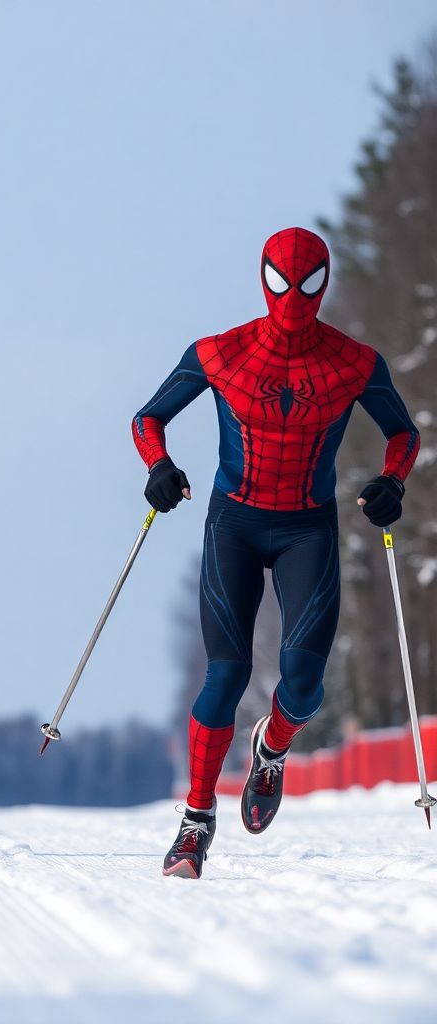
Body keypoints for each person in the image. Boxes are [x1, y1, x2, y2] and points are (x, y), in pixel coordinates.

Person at [132, 228, 419, 878]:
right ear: (262, 280)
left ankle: (273, 747)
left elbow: (403, 434)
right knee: (225, 677)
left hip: (306, 528)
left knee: (305, 682)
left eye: (309, 284)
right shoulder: (219, 351)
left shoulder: (354, 363)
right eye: (284, 283)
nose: (295, 297)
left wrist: (390, 482)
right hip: (233, 521)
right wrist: (159, 467)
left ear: (326, 281)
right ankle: (195, 823)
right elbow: (148, 419)